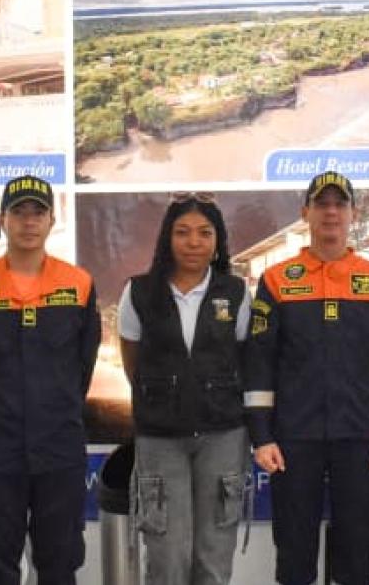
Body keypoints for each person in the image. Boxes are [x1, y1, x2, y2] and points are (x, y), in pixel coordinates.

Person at [244, 171, 369, 585]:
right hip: (294, 438)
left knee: (358, 552)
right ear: (306, 213)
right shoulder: (278, 280)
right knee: (295, 553)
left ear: (353, 213)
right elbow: (259, 360)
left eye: (339, 204)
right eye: (322, 204)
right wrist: (262, 435)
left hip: (362, 437)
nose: (331, 212)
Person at [0, 175, 100, 585]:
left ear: (52, 220)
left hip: (59, 447)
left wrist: (55, 408)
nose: (28, 222)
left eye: (38, 212)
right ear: (2, 220)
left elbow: (81, 367)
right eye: (19, 212)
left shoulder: (78, 285)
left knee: (60, 561)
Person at [117, 192, 252, 585]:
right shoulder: (139, 292)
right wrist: (166, 397)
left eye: (204, 233)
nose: (193, 242)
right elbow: (132, 363)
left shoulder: (236, 292)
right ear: (167, 239)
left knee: (214, 556)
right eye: (183, 232)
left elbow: (244, 359)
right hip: (161, 439)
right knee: (166, 558)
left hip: (223, 436)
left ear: (217, 241)